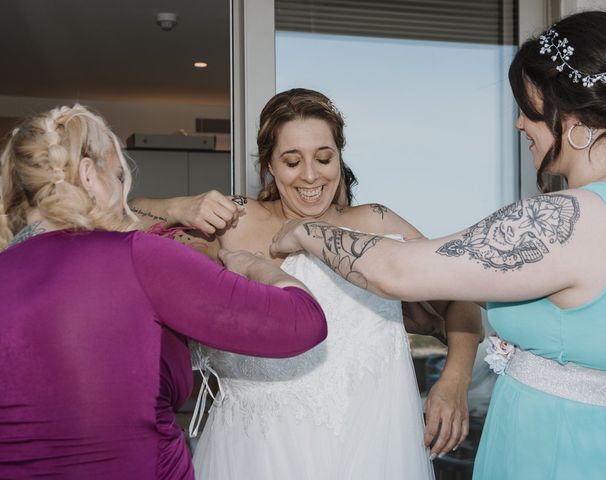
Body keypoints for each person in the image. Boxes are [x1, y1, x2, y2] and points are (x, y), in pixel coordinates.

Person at [270, 11, 606, 480]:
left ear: (572, 117)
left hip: (559, 452)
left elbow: (397, 270)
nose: (519, 125)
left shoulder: (569, 216)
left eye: (528, 107)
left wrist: (304, 232)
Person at [136, 88, 482, 479]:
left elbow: (462, 299)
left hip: (369, 446)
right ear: (268, 165)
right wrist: (179, 206)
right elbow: (118, 218)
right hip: (255, 454)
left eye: (323, 157)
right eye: (291, 161)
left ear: (339, 156)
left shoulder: (376, 224)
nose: (311, 175)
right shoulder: (236, 222)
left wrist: (454, 379)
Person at [0, 105, 328, 479]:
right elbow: (303, 322)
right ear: (89, 176)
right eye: (120, 176)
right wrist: (257, 267)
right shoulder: (137, 259)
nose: (127, 194)